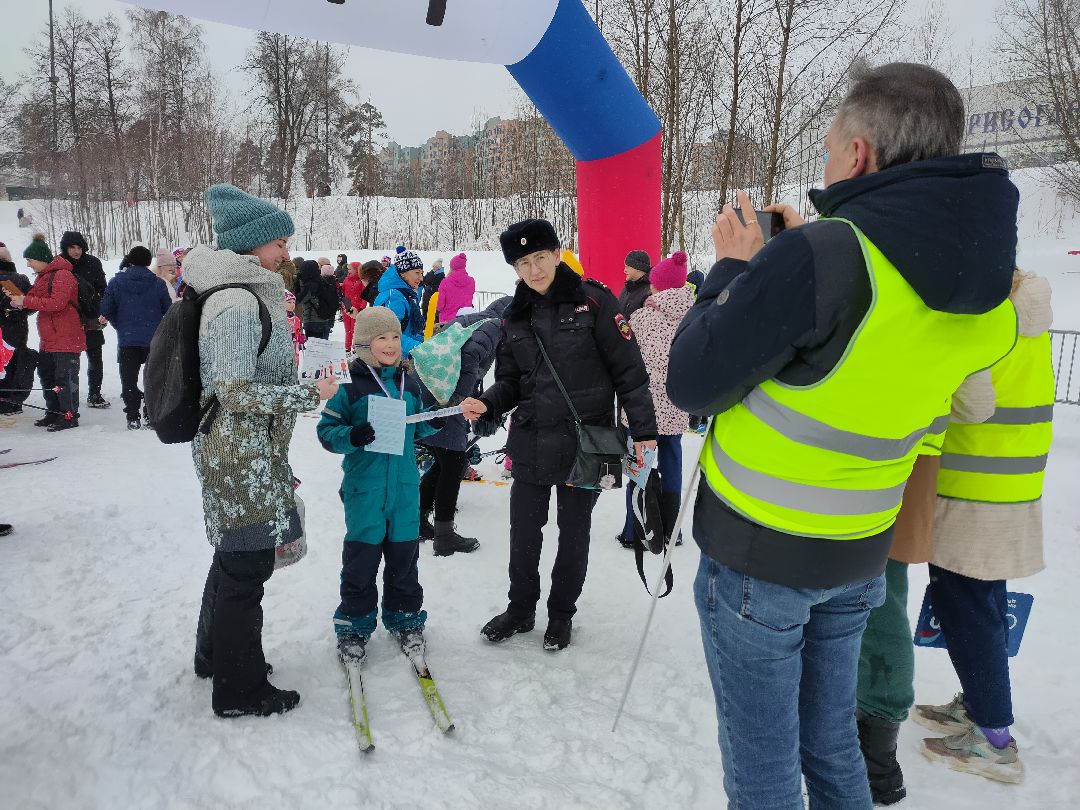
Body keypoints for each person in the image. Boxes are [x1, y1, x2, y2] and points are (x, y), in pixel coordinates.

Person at [666, 62, 1019, 809]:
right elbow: (873, 338)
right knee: (830, 750)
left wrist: (731, 270)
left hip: (761, 554)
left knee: (762, 770)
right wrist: (795, 262)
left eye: (830, 152)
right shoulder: (980, 283)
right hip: (860, 551)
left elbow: (693, 381)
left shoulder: (828, 254)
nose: (827, 168)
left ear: (859, 154)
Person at [460, 219, 657, 652]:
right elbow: (510, 381)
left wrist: (643, 430)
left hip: (584, 443)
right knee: (524, 532)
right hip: (530, 437)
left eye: (540, 258)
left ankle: (561, 613)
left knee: (574, 533)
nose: (533, 270)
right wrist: (489, 403)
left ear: (557, 253)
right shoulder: (515, 315)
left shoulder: (595, 301)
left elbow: (630, 371)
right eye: (523, 263)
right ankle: (520, 608)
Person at [186, 183, 337, 718]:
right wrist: (306, 394)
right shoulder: (235, 300)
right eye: (279, 242)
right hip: (238, 455)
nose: (286, 252)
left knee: (232, 559)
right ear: (253, 245)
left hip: (249, 450)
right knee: (246, 569)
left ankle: (217, 658)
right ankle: (239, 686)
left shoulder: (247, 289)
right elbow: (230, 388)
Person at [914, 268, 1053, 784]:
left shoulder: (985, 319)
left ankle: (994, 737)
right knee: (984, 602)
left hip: (972, 486)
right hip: (1009, 484)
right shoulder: (1030, 312)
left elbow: (974, 404)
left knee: (968, 611)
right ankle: (978, 706)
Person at [855, 375, 995, 804]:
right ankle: (875, 761)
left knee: (871, 600)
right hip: (905, 458)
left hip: (854, 458)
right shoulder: (965, 310)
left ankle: (873, 760)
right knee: (880, 598)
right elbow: (977, 404)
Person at [316, 307, 444, 664]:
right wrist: (352, 435)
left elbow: (417, 426)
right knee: (361, 560)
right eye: (381, 338)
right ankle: (354, 625)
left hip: (404, 488)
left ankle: (405, 618)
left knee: (405, 558)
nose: (390, 344)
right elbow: (327, 432)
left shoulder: (410, 383)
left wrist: (434, 420)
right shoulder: (349, 384)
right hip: (365, 489)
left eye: (395, 337)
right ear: (363, 344)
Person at [416, 295, 513, 554]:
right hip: (446, 396)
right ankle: (444, 535)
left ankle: (417, 521)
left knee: (444, 460)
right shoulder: (494, 326)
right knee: (454, 463)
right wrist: (462, 401)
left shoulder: (474, 321)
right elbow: (469, 358)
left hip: (431, 389)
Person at [617, 251, 694, 549]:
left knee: (641, 466)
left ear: (658, 286)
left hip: (643, 411)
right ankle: (671, 528)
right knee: (673, 464)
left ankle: (635, 529)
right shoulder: (694, 317)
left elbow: (627, 360)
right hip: (675, 406)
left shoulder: (642, 317)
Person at [9, 235, 85, 431]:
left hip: (65, 338)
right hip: (49, 339)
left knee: (64, 380)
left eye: (30, 260)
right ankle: (54, 413)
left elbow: (57, 304)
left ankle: (68, 416)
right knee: (48, 377)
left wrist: (26, 301)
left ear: (41, 259)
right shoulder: (43, 277)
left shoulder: (62, 275)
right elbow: (34, 300)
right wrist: (18, 301)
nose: (28, 265)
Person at [99, 245, 173, 429]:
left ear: (130, 260)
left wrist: (121, 325)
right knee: (152, 379)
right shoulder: (158, 284)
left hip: (127, 340)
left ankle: (132, 416)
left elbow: (106, 310)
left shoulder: (116, 283)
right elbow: (168, 311)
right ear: (149, 262)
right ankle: (150, 415)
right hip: (153, 340)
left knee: (129, 380)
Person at [59, 231, 109, 409]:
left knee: (95, 357)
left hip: (91, 316)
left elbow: (103, 289)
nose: (76, 251)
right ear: (65, 248)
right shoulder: (59, 265)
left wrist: (100, 308)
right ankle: (68, 397)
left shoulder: (93, 262)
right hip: (68, 319)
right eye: (72, 247)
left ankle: (94, 393)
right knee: (70, 361)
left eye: (79, 247)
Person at [0, 241, 35, 414]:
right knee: (16, 363)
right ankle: (14, 402)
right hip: (17, 330)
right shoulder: (19, 279)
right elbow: (32, 305)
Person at [374, 249, 425, 358]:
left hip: (400, 356)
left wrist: (427, 340)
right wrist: (421, 349)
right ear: (403, 274)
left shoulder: (405, 293)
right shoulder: (394, 297)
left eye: (422, 273)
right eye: (417, 273)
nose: (421, 278)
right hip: (390, 361)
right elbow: (388, 335)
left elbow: (407, 331)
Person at [296, 259, 334, 340]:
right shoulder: (321, 280)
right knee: (322, 346)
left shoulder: (310, 285)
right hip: (323, 318)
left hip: (313, 321)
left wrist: (297, 287)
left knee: (314, 349)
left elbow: (299, 300)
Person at [436, 252, 476, 323]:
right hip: (465, 320)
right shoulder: (471, 281)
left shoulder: (445, 282)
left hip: (447, 322)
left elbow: (440, 306)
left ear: (452, 267)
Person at [341, 261, 367, 351]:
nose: (348, 271)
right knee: (348, 330)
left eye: (350, 269)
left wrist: (361, 307)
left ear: (356, 270)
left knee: (355, 329)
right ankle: (347, 348)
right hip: (347, 305)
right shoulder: (346, 279)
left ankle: (356, 348)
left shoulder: (361, 281)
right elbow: (343, 292)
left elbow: (364, 296)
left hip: (357, 307)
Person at [618, 250, 652, 317]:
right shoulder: (626, 289)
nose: (624, 270)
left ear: (638, 268)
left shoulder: (650, 291)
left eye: (627, 267)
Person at [284, 290, 305, 368]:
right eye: (289, 302)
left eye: (293, 302)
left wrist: (301, 336)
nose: (292, 305)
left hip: (294, 345)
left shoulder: (296, 319)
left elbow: (298, 329)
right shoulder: (280, 318)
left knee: (295, 361)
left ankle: (294, 374)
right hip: (284, 345)